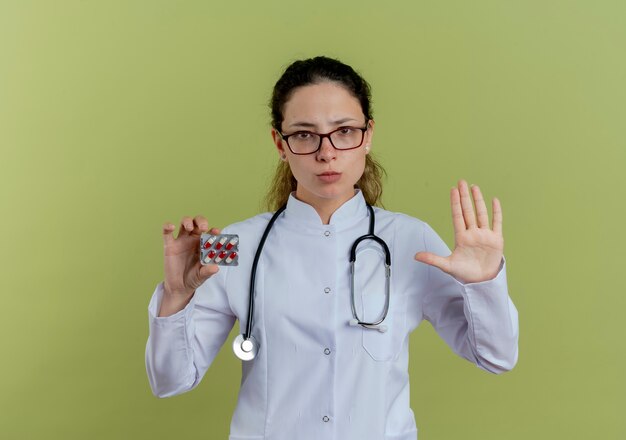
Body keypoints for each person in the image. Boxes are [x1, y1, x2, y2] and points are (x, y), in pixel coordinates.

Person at [145, 56, 519, 440]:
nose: (327, 153)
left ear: (368, 135)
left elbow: (496, 357)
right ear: (280, 143)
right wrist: (176, 297)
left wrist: (485, 283)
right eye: (305, 134)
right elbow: (171, 381)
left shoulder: (411, 239)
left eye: (344, 131)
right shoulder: (233, 245)